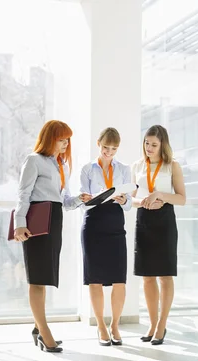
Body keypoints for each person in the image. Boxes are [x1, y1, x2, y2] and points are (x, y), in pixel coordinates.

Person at [13, 120, 91, 353]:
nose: (65, 143)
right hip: (36, 222)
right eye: (61, 139)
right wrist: (19, 224)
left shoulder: (61, 165)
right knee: (37, 280)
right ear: (50, 138)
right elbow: (23, 194)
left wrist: (79, 199)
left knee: (45, 278)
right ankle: (45, 334)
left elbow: (63, 201)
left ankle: (38, 330)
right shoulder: (33, 160)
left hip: (55, 220)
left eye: (67, 139)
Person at [132, 125, 186, 345]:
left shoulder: (172, 166)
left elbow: (181, 198)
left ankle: (162, 324)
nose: (149, 148)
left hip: (164, 221)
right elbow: (127, 199)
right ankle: (152, 323)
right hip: (144, 219)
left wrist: (160, 195)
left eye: (154, 144)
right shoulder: (137, 166)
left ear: (163, 145)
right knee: (147, 276)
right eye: (147, 143)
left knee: (165, 275)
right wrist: (143, 202)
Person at [79, 127, 132, 346]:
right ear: (98, 144)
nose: (109, 152)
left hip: (115, 222)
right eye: (105, 148)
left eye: (113, 149)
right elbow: (83, 202)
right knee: (95, 279)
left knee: (119, 279)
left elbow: (129, 203)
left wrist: (123, 200)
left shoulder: (124, 168)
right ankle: (101, 325)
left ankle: (115, 325)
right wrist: (89, 198)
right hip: (94, 223)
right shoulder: (88, 169)